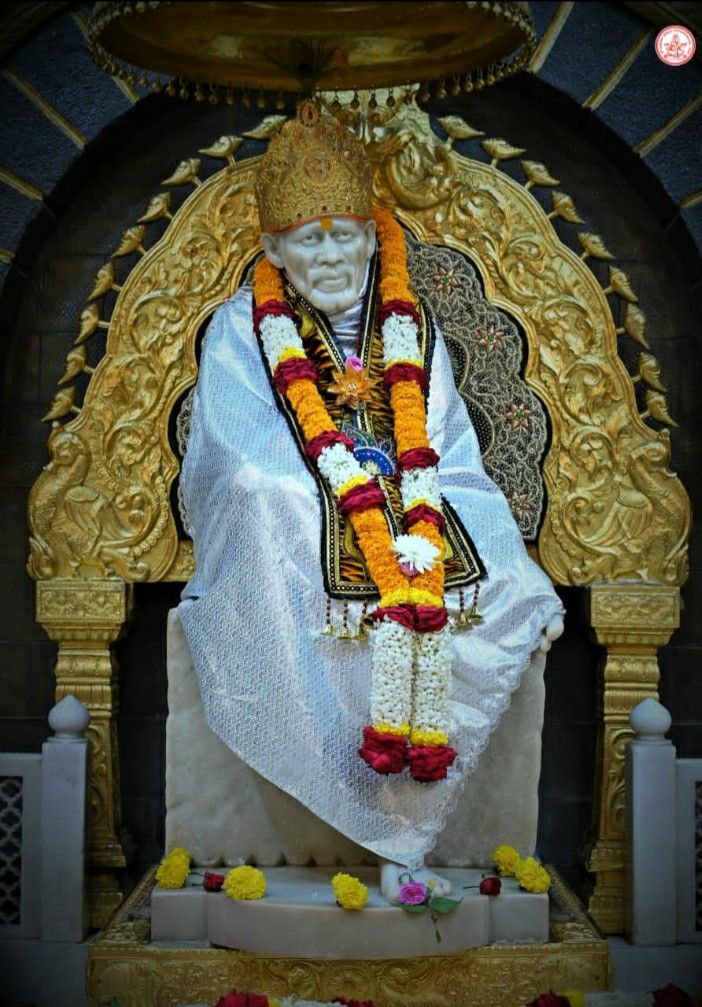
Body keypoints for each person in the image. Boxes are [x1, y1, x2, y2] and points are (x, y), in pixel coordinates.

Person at [178, 102, 564, 899]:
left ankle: (408, 819)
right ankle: (357, 807)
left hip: (417, 505)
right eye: (310, 238)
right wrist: (330, 490)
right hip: (297, 515)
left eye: (343, 234)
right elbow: (236, 456)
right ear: (274, 248)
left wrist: (429, 512)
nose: (329, 253)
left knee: (504, 573)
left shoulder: (410, 329)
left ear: (372, 237)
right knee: (264, 499)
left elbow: (452, 453)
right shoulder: (237, 329)